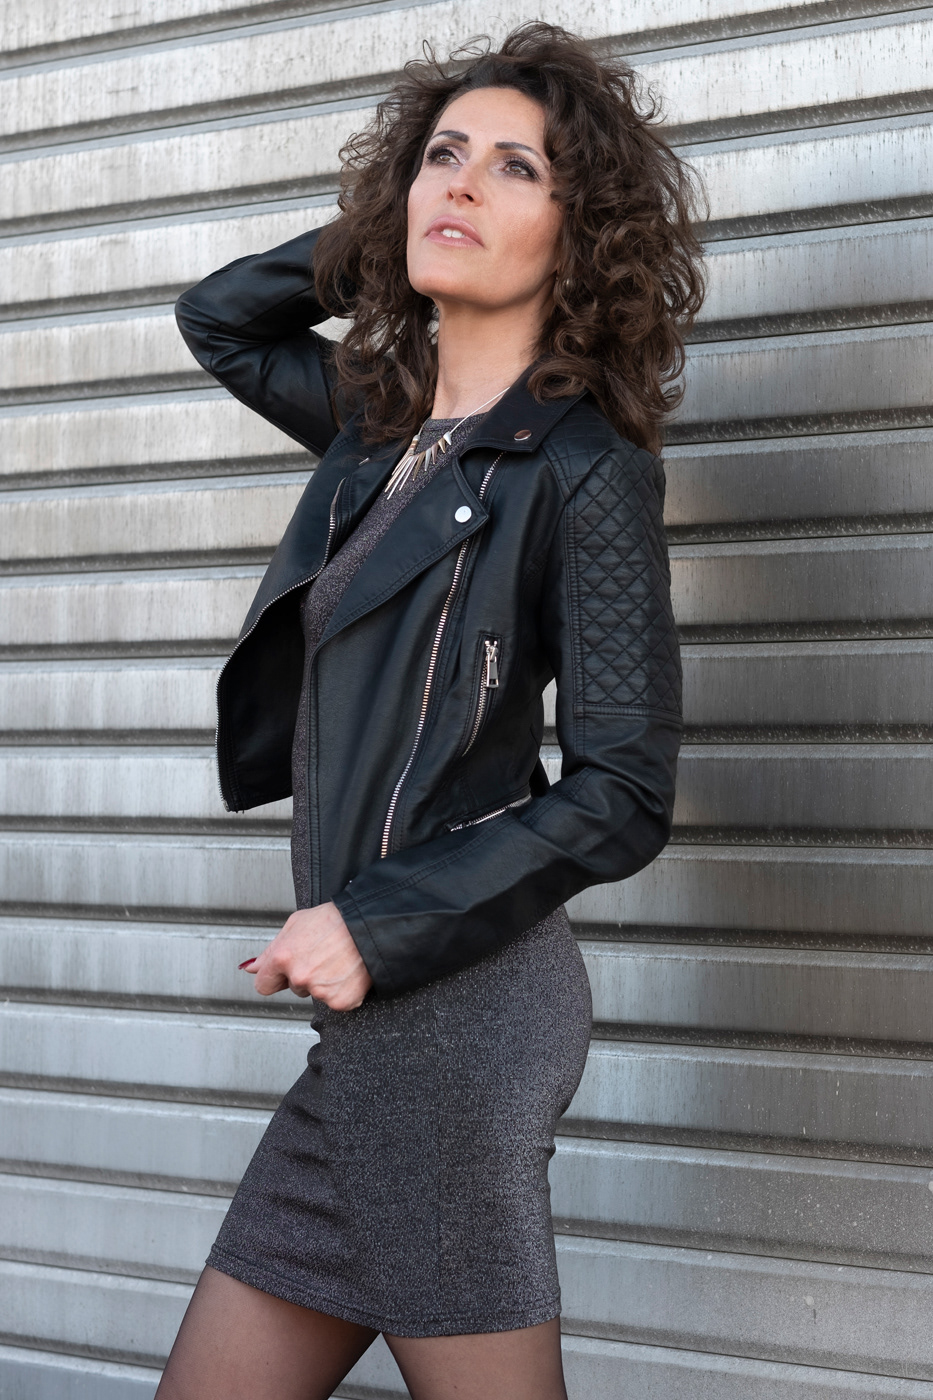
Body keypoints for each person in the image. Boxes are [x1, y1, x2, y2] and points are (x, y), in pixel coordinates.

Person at [160, 22, 703, 1400]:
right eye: (441, 156)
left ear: (581, 236)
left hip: (457, 1020)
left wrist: (375, 923)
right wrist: (389, 224)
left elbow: (624, 790)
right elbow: (221, 316)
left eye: (516, 168)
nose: (460, 182)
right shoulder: (377, 429)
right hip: (371, 1036)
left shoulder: (580, 470)